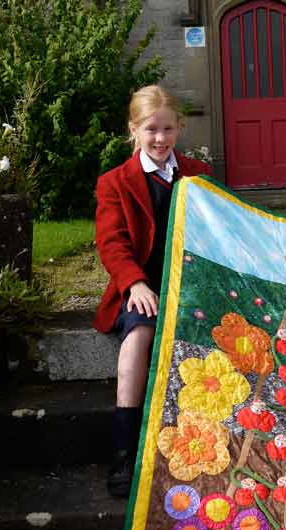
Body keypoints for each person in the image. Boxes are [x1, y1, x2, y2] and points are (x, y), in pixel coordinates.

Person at [93, 85, 212, 497]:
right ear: (134, 131)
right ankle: (124, 449)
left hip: (191, 283)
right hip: (141, 285)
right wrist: (135, 283)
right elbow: (112, 243)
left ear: (179, 128)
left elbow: (218, 233)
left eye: (167, 129)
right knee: (139, 335)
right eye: (150, 130)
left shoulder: (199, 176)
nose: (159, 139)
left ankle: (209, 444)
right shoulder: (114, 182)